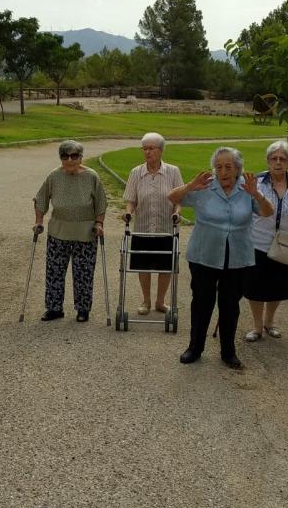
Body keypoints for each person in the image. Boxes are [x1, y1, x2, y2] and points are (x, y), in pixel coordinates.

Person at [167, 147, 273, 369]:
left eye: (228, 167)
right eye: (219, 167)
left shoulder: (247, 188)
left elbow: (267, 212)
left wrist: (256, 194)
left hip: (237, 256)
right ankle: (195, 347)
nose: (223, 171)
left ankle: (228, 351)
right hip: (204, 254)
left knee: (230, 305)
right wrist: (190, 186)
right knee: (202, 303)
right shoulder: (205, 185)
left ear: (237, 169)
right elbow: (171, 197)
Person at [243, 141, 288, 342]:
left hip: (286, 244)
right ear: (268, 161)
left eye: (283, 159)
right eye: (274, 158)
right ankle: (257, 326)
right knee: (255, 286)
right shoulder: (257, 182)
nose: (278, 162)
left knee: (278, 285)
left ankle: (270, 321)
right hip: (258, 242)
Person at [33, 140, 107, 322]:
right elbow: (41, 199)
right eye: (65, 156)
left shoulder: (91, 176)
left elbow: (101, 203)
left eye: (74, 156)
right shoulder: (54, 176)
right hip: (59, 231)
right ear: (60, 158)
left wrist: (99, 223)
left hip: (86, 232)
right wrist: (38, 221)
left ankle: (83, 309)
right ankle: (54, 308)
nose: (70, 160)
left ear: (81, 157)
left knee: (84, 273)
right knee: (54, 272)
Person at [122, 132, 184, 314]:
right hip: (143, 228)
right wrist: (128, 212)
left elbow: (179, 200)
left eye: (151, 148)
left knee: (165, 267)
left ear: (161, 150)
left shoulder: (173, 171)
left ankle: (160, 302)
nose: (147, 152)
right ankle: (146, 301)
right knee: (143, 266)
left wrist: (177, 212)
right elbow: (131, 200)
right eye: (144, 148)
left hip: (166, 229)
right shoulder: (136, 172)